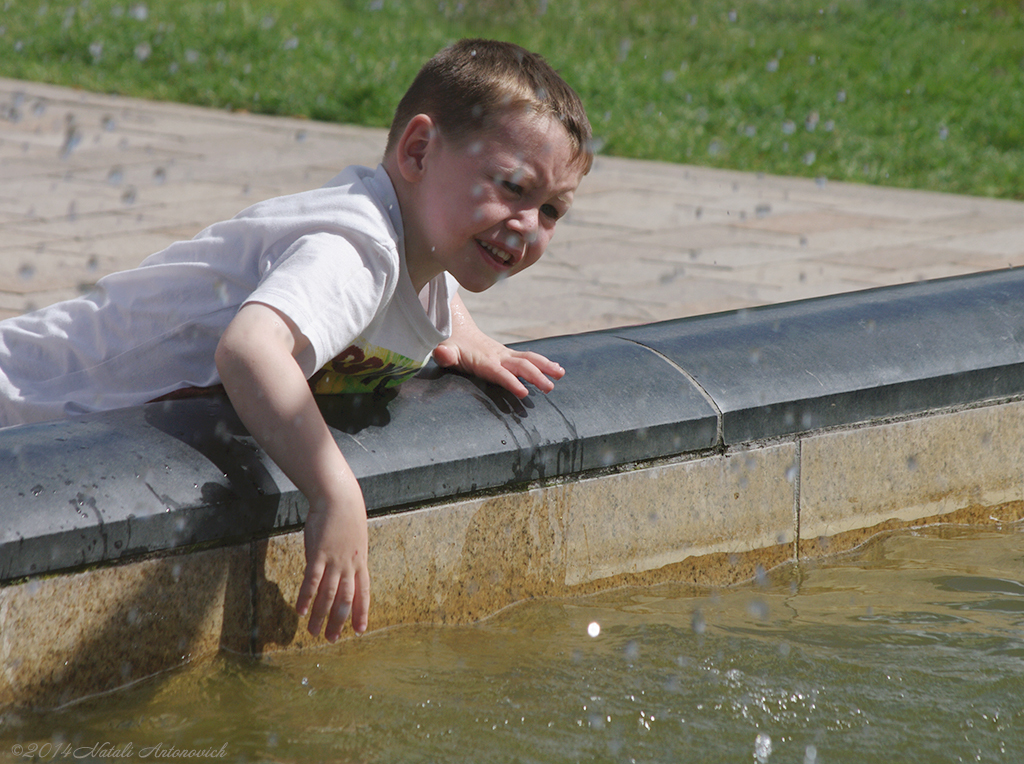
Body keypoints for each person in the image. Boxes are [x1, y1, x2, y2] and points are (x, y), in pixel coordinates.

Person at [0, 39, 593, 641]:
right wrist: (333, 492)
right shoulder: (355, 250)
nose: (527, 226)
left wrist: (463, 333)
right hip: (22, 397)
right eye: (513, 187)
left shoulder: (420, 252)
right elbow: (251, 350)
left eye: (552, 211)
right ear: (418, 151)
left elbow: (427, 290)